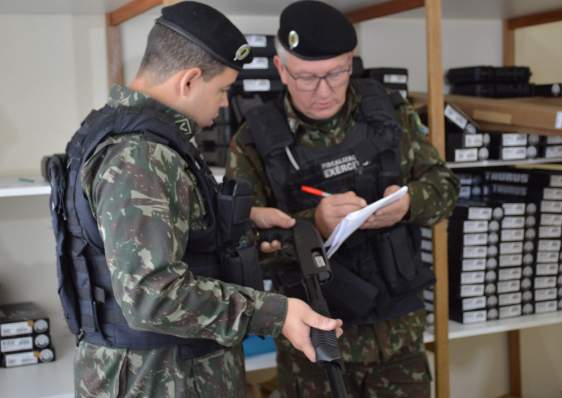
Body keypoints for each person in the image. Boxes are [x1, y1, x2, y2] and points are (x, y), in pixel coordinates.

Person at [46, 2, 343, 397]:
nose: (224, 104)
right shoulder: (141, 154)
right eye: (222, 90)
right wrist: (278, 314)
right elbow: (151, 295)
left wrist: (240, 226)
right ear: (188, 81)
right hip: (160, 379)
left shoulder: (127, 135)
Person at [226, 1, 460, 397]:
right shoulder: (253, 142)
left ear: (351, 62)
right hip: (314, 346)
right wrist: (311, 225)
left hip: (398, 334)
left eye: (335, 74)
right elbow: (240, 247)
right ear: (282, 70)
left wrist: (408, 204)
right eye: (306, 78)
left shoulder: (388, 113)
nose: (323, 91)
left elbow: (445, 188)